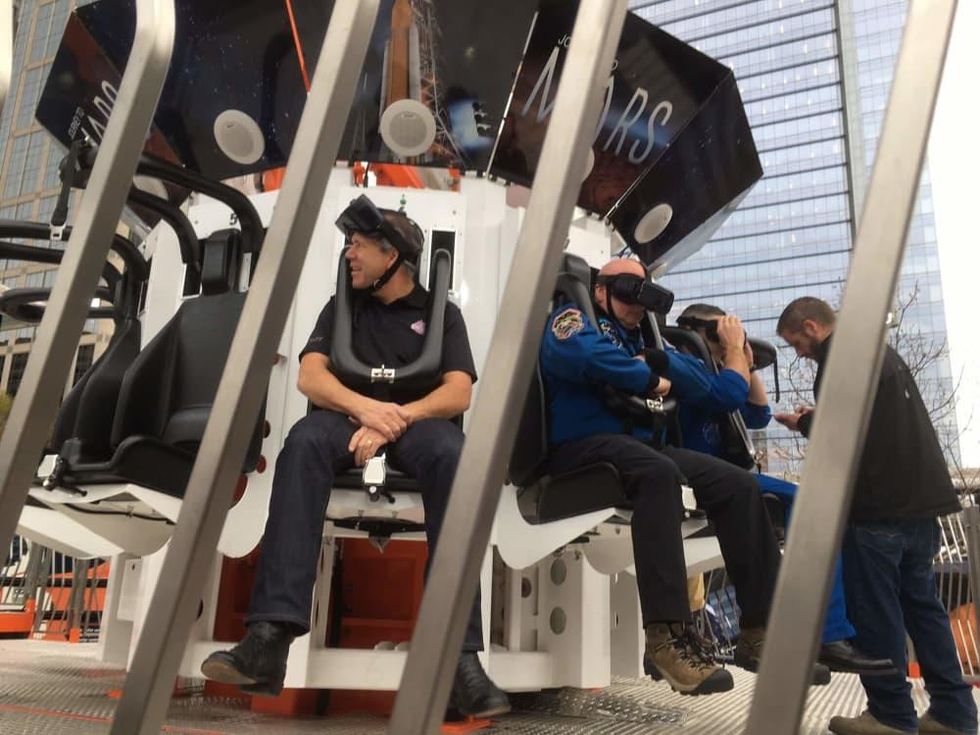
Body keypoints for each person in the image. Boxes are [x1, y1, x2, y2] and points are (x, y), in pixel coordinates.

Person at [202, 196, 509, 719]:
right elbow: (311, 376)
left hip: (414, 423)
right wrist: (368, 411)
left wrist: (398, 417)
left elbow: (458, 392)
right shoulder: (341, 307)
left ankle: (460, 660)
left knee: (455, 456)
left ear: (392, 256)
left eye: (358, 244)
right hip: (345, 420)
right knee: (301, 443)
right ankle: (268, 641)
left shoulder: (442, 314)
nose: (349, 254)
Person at [539, 256, 828, 696]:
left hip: (641, 447)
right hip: (584, 445)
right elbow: (576, 351)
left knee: (738, 484)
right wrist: (647, 377)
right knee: (659, 473)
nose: (636, 307)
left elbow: (709, 387)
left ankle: (761, 631)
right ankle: (667, 638)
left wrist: (668, 363)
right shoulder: (577, 317)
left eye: (643, 298)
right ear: (601, 292)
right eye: (626, 295)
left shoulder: (648, 338)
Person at [775, 296, 977, 735]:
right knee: (924, 610)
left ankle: (890, 715)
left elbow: (839, 437)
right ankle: (954, 713)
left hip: (877, 510)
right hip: (923, 505)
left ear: (811, 327)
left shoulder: (839, 358)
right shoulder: (877, 350)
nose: (800, 354)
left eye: (796, 343)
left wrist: (804, 424)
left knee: (876, 614)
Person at [669, 302, 895, 677]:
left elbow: (756, 414)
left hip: (730, 477)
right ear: (690, 330)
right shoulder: (685, 364)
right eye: (714, 331)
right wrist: (730, 355)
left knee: (812, 515)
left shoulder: (723, 369)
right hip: (702, 475)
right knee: (812, 508)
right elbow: (726, 395)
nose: (722, 338)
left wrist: (744, 356)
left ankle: (814, 634)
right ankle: (828, 635)